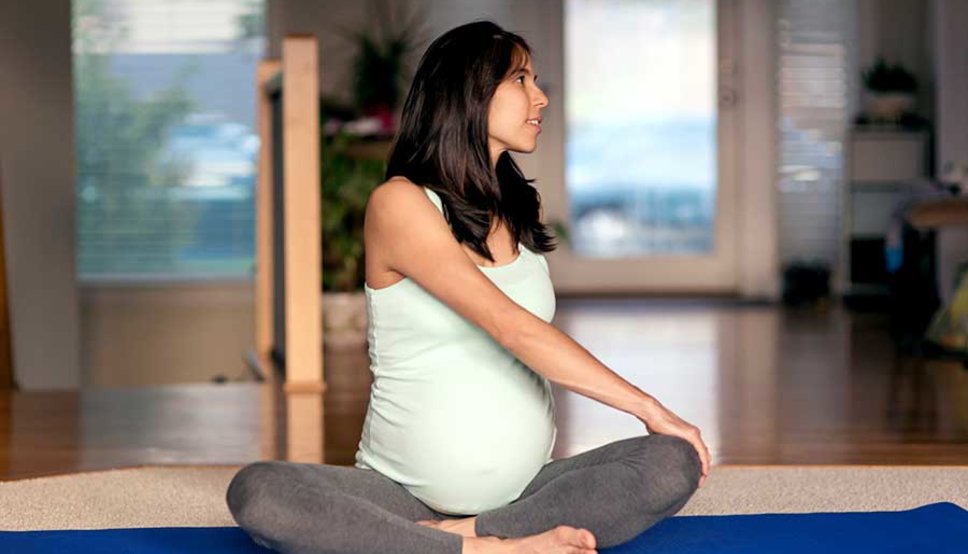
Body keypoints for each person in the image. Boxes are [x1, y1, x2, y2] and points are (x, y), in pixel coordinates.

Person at [226, 20, 711, 554]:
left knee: (671, 462)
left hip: (526, 493)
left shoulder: (521, 209)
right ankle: (489, 550)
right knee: (260, 492)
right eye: (522, 80)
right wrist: (647, 406)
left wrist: (658, 427)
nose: (541, 97)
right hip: (399, 495)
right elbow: (510, 327)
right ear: (469, 95)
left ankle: (455, 538)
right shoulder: (401, 203)